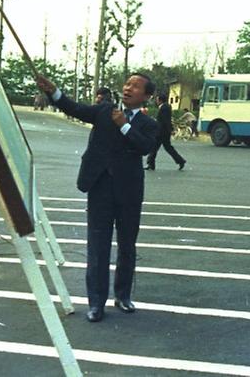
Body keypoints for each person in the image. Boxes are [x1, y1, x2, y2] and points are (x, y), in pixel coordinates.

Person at [36, 72, 158, 323]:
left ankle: (123, 296)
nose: (128, 88)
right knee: (97, 247)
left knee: (127, 245)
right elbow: (74, 108)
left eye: (135, 87)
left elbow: (145, 148)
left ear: (146, 96)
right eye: (127, 84)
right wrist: (53, 91)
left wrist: (124, 124)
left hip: (129, 191)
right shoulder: (104, 111)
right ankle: (96, 303)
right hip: (99, 187)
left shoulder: (149, 124)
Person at [146, 93, 187, 171]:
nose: (156, 101)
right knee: (167, 148)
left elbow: (164, 121)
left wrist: (158, 129)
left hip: (161, 132)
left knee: (154, 147)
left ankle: (151, 163)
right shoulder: (166, 106)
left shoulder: (164, 108)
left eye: (157, 99)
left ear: (160, 100)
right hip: (164, 131)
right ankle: (180, 161)